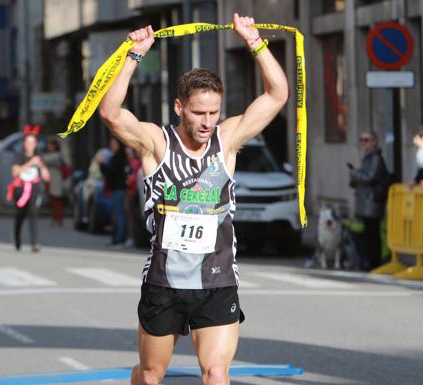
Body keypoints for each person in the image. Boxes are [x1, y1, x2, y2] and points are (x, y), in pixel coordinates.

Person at [98, 14, 288, 385]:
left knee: (216, 373)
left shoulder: (227, 140)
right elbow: (109, 112)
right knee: (152, 374)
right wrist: (134, 57)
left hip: (217, 281)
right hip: (164, 283)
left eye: (214, 113)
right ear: (179, 107)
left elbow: (277, 94)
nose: (206, 122)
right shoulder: (156, 143)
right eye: (198, 113)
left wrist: (255, 42)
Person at [348, 130, 388, 270]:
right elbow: (362, 178)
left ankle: (374, 263)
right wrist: (353, 177)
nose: (364, 143)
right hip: (365, 202)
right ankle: (369, 262)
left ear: (374, 142)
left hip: (372, 202)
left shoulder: (376, 158)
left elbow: (370, 177)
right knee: (368, 233)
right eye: (362, 140)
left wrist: (355, 174)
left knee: (373, 234)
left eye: (367, 140)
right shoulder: (367, 157)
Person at [8, 130, 49, 252]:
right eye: (28, 142)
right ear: (24, 143)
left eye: (33, 142)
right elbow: (15, 171)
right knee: (20, 214)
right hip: (20, 189)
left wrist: (41, 165)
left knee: (33, 213)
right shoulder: (19, 156)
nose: (30, 145)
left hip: (34, 188)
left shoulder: (39, 157)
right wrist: (30, 163)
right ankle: (17, 239)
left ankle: (34, 242)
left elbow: (46, 176)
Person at [100, 137, 129, 246]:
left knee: (119, 214)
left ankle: (120, 237)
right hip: (116, 188)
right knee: (117, 213)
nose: (112, 146)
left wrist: (102, 165)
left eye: (114, 144)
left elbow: (110, 172)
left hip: (119, 188)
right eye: (111, 144)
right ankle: (118, 236)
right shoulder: (115, 157)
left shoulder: (119, 157)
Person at [42, 139, 68, 226]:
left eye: (52, 145)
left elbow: (44, 160)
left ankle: (58, 219)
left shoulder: (57, 156)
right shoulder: (53, 155)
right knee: (53, 201)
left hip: (56, 180)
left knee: (57, 201)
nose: (50, 147)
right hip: (51, 180)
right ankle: (55, 218)